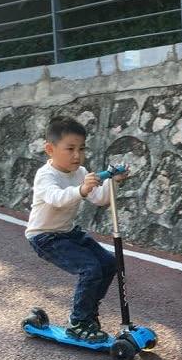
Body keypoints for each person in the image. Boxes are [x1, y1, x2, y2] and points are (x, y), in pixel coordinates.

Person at [25, 116, 124, 342]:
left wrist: (113, 181)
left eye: (81, 148)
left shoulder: (80, 171)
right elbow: (57, 199)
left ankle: (87, 315)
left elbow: (99, 198)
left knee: (109, 263)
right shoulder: (45, 175)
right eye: (70, 149)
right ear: (50, 149)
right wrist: (81, 189)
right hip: (44, 236)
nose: (77, 155)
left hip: (68, 232)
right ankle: (78, 323)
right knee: (90, 269)